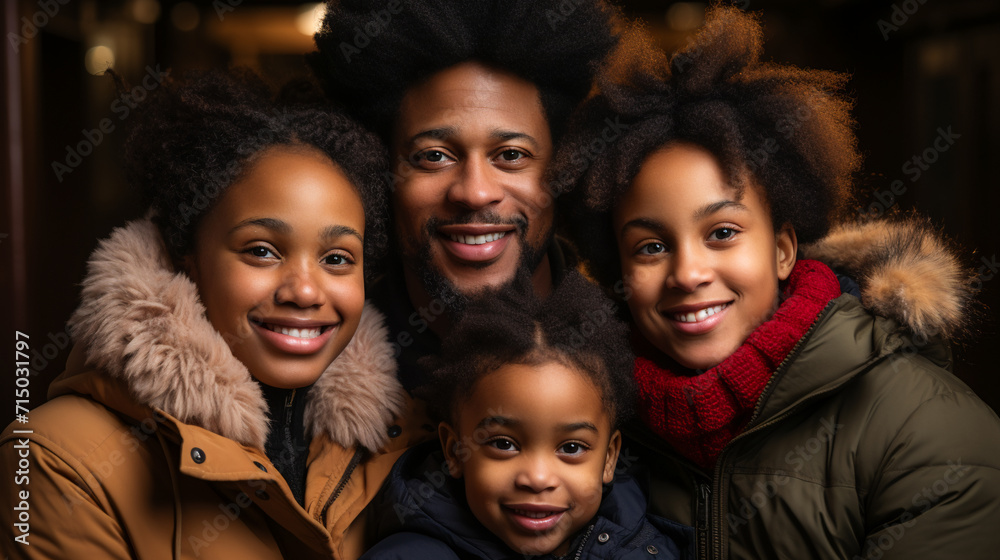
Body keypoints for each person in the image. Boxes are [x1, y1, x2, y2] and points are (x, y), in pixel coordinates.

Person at [553, 6, 1000, 559]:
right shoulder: (584, 427)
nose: (689, 273)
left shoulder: (927, 432)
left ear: (783, 249)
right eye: (651, 246)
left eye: (721, 232)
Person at [0, 70, 408, 559]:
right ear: (187, 257)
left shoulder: (404, 440)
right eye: (261, 250)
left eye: (338, 259)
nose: (304, 291)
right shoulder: (54, 459)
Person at [307, 0, 624, 397]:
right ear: (381, 172)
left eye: (510, 155)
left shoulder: (641, 363)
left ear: (564, 169)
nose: (475, 192)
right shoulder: (305, 362)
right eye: (434, 156)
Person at [362, 271, 692, 559]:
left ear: (609, 458)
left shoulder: (652, 549)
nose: (537, 478)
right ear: (454, 450)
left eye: (572, 448)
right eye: (504, 444)